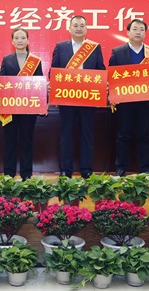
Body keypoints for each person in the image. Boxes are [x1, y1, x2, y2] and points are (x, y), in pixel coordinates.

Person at [51, 15, 106, 179]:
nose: (79, 28)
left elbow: (100, 70)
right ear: (69, 28)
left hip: (88, 99)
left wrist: (103, 84)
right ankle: (65, 170)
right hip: (67, 98)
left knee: (87, 134)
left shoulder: (94, 47)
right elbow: (53, 71)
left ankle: (86, 169)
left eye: (82, 25)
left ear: (86, 29)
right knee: (66, 135)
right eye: (75, 25)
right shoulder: (61, 47)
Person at [108, 19, 149, 176]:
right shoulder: (117, 52)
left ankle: (145, 169)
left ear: (145, 33)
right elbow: (111, 76)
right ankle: (121, 168)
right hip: (125, 102)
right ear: (128, 32)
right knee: (123, 135)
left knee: (144, 136)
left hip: (145, 102)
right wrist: (112, 94)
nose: (138, 32)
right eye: (135, 29)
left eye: (141, 29)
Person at [0, 28, 43, 180]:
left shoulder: (35, 61)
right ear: (12, 41)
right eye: (16, 38)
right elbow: (2, 82)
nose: (20, 40)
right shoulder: (6, 59)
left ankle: (26, 174)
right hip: (10, 108)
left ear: (28, 40)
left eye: (23, 37)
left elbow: (39, 83)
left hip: (28, 108)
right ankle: (8, 174)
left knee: (26, 141)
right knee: (9, 141)